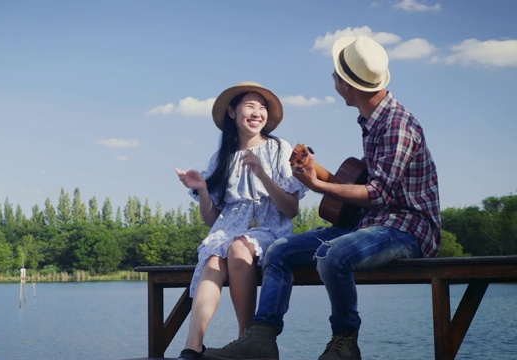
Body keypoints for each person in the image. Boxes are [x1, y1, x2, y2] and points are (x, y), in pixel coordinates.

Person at [204, 36, 441, 360]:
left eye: (336, 74)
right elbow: (369, 181)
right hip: (368, 223)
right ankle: (260, 340)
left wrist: (318, 186)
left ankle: (345, 341)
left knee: (332, 254)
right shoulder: (372, 121)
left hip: (407, 228)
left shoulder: (396, 124)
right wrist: (316, 171)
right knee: (279, 250)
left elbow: (377, 194)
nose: (332, 78)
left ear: (347, 85)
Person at [174, 81, 307, 360]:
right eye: (250, 106)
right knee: (212, 258)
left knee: (237, 247)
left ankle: (247, 340)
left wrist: (262, 175)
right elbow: (212, 220)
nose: (257, 112)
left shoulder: (278, 148)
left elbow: (291, 209)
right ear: (232, 113)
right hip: (228, 230)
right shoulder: (222, 157)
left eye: (262, 107)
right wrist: (202, 190)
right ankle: (192, 345)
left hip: (269, 228)